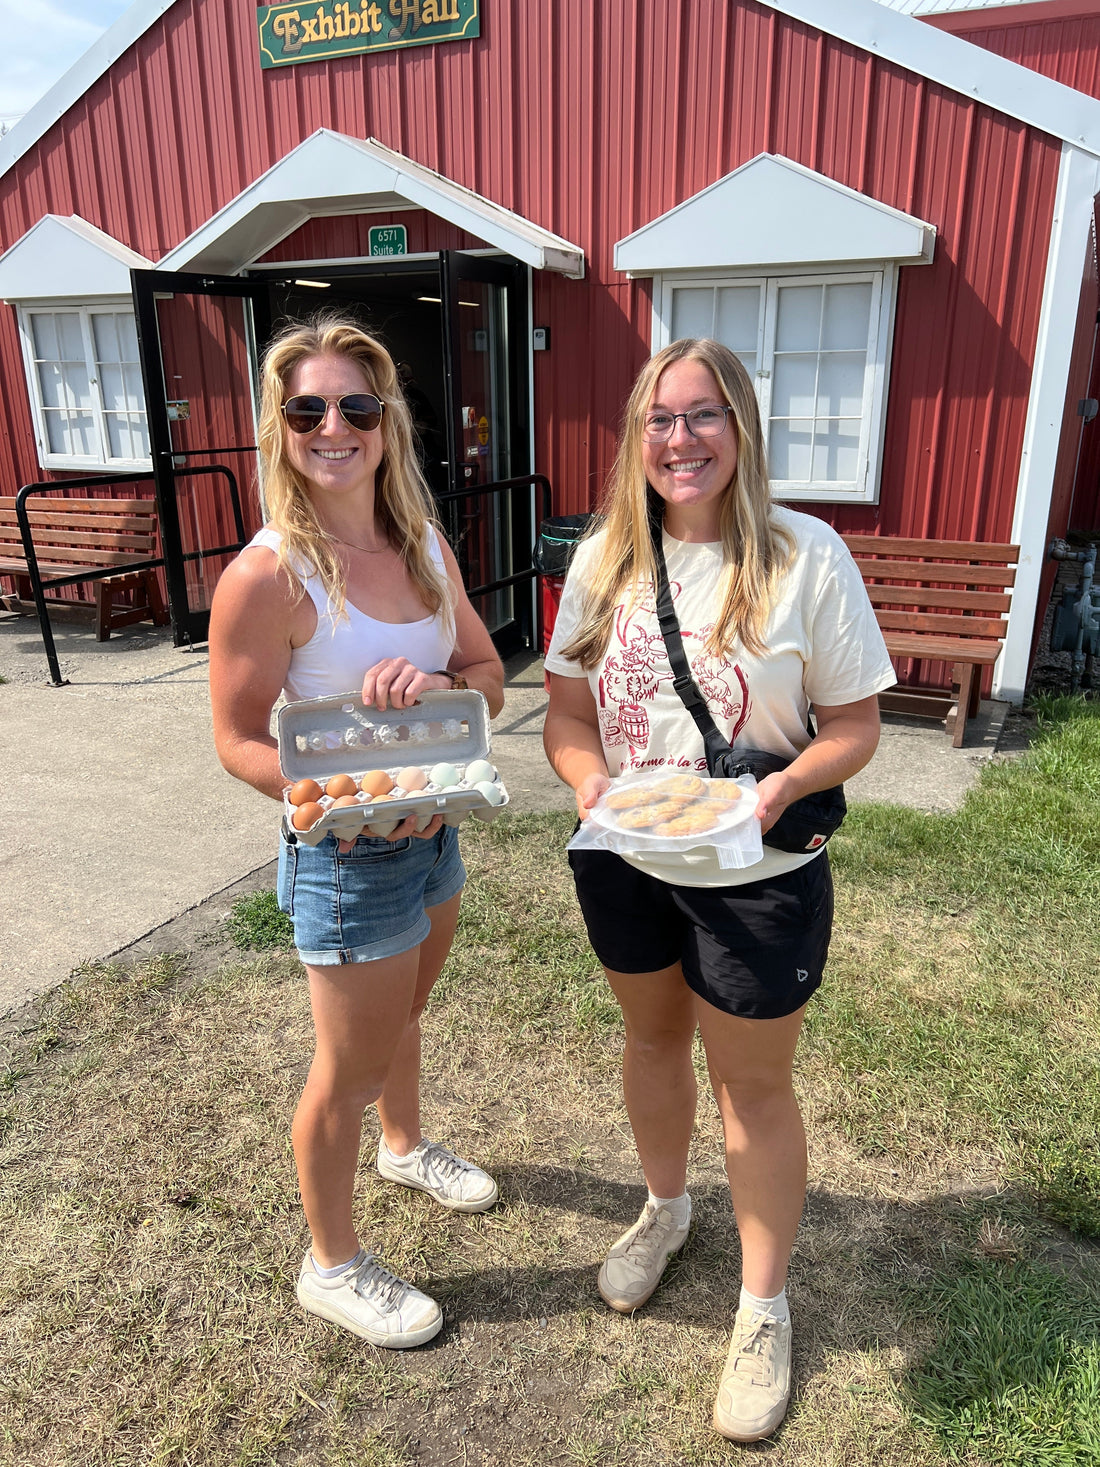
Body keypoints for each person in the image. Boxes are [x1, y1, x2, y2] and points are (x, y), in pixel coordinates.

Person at [542, 338, 896, 1441]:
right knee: (649, 1046)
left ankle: (760, 1306)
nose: (678, 440)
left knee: (752, 1089)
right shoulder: (603, 557)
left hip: (756, 868)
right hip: (627, 858)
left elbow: (854, 728)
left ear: (739, 428)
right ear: (634, 438)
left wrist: (778, 786)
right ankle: (663, 1210)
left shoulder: (803, 555)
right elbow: (563, 717)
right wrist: (594, 782)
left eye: (701, 417)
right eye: (658, 419)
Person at [209, 316, 505, 1351]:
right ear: (279, 430)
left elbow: (486, 680)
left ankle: (405, 1145)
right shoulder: (267, 575)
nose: (332, 426)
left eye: (355, 407)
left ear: (385, 425)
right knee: (347, 1064)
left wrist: (434, 685)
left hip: (434, 831)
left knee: (403, 1014)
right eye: (307, 410)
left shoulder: (420, 544)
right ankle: (328, 1264)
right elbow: (240, 740)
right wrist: (324, 805)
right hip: (346, 854)